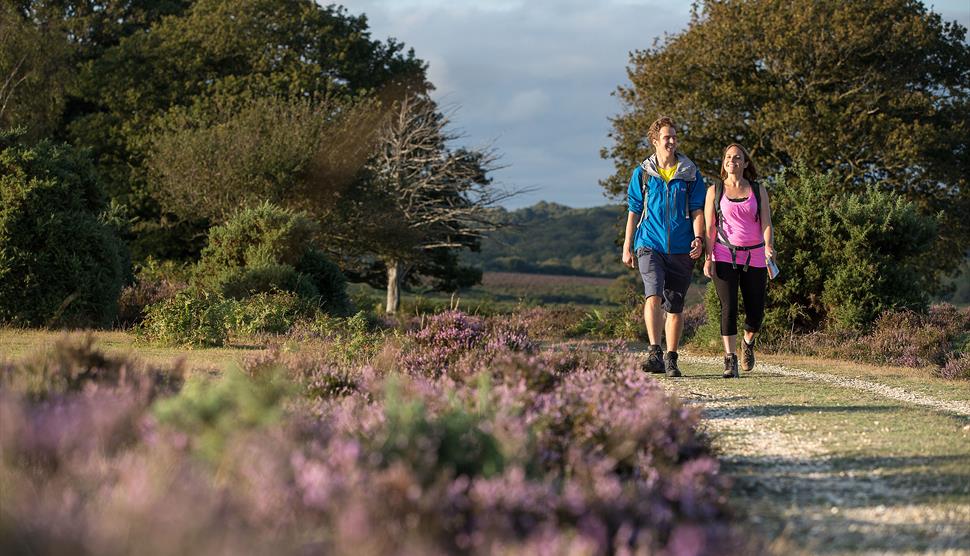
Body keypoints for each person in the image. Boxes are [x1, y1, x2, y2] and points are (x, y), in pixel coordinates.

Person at [622, 116, 706, 377]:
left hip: (682, 247)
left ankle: (671, 358)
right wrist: (627, 246)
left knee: (675, 306)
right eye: (666, 137)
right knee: (653, 294)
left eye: (674, 136)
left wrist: (699, 239)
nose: (671, 141)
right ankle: (654, 352)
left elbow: (697, 211)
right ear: (655, 141)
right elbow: (634, 211)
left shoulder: (690, 173)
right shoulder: (643, 173)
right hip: (649, 243)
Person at [702, 143, 775, 378]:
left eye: (737, 157)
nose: (732, 160)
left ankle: (747, 342)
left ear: (745, 163)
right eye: (728, 157)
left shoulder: (757, 189)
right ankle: (730, 359)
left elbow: (766, 223)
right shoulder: (715, 191)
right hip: (724, 254)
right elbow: (709, 227)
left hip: (754, 255)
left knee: (756, 312)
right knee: (729, 307)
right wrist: (708, 257)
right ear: (724, 162)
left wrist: (769, 246)